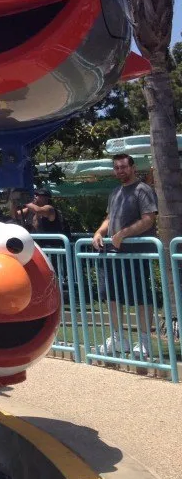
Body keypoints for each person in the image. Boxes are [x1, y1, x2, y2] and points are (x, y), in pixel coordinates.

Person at [92, 153, 158, 358]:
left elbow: (149, 219)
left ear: (133, 167)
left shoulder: (143, 190)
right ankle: (118, 338)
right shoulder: (115, 192)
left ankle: (145, 341)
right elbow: (110, 217)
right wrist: (99, 232)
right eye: (117, 167)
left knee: (140, 297)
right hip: (113, 254)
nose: (120, 170)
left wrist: (122, 234)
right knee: (111, 296)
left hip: (137, 255)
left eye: (123, 167)